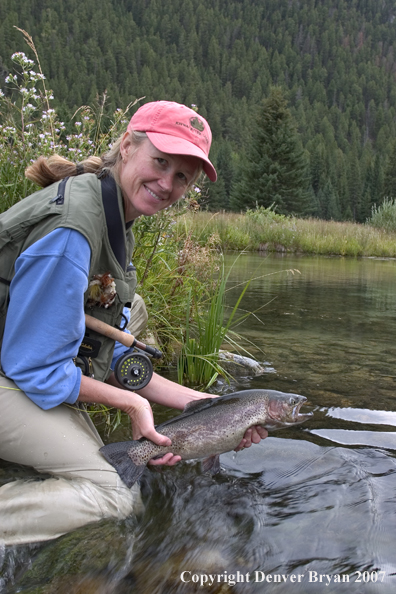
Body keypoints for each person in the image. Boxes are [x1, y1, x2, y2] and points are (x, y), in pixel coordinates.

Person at [0, 101, 267, 545]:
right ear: (127, 146)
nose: (166, 183)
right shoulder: (73, 231)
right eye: (160, 162)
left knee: (134, 306)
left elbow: (117, 356)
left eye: (181, 176)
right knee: (113, 494)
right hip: (18, 369)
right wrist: (131, 406)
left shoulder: (113, 209)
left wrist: (210, 409)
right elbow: (35, 368)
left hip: (15, 355)